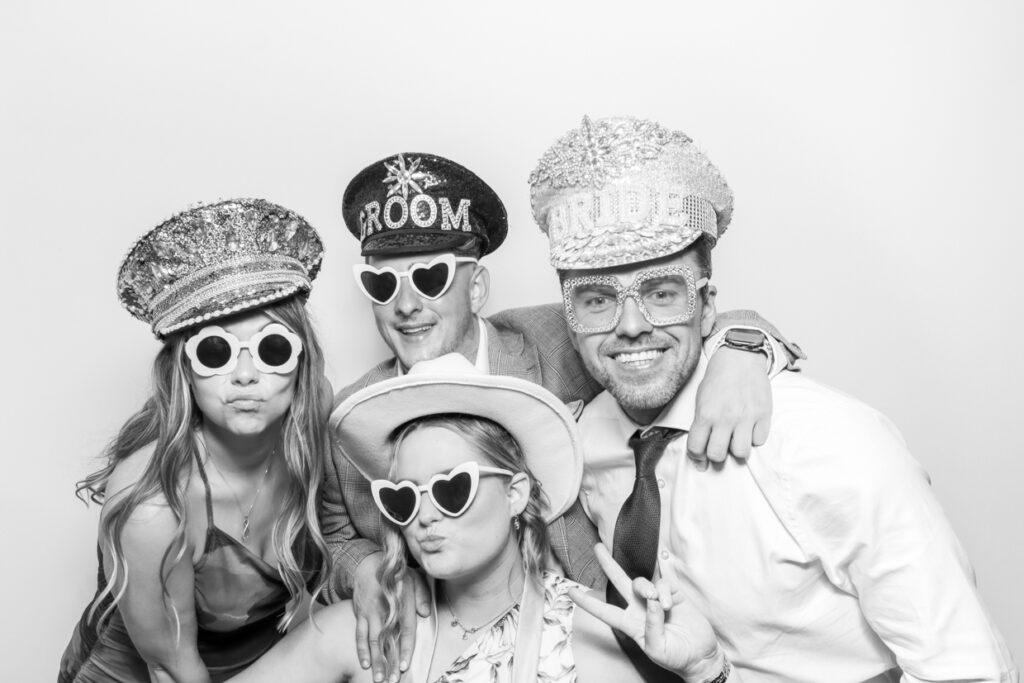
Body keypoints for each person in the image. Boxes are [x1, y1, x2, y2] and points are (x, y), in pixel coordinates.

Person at [528, 116, 1019, 682]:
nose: (631, 325)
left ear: (708, 305)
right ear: (568, 319)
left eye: (663, 293)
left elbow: (967, 671)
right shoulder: (580, 441)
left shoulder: (825, 441)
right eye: (596, 301)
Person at [322, 152, 803, 680]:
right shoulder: (354, 413)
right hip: (453, 651)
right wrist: (363, 566)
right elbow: (338, 527)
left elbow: (669, 319)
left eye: (430, 277)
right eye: (382, 285)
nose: (406, 305)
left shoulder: (551, 342)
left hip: (602, 639)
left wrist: (742, 348)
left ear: (477, 287)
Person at [236, 354, 740, 683]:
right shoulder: (372, 627)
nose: (424, 517)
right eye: (403, 498)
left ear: (516, 494)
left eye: (451, 488)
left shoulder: (579, 634)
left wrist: (707, 670)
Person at [59, 199, 333, 683]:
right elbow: (171, 665)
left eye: (273, 348)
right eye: (215, 350)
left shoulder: (314, 418)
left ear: (302, 363)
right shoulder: (151, 506)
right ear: (184, 370)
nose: (247, 375)